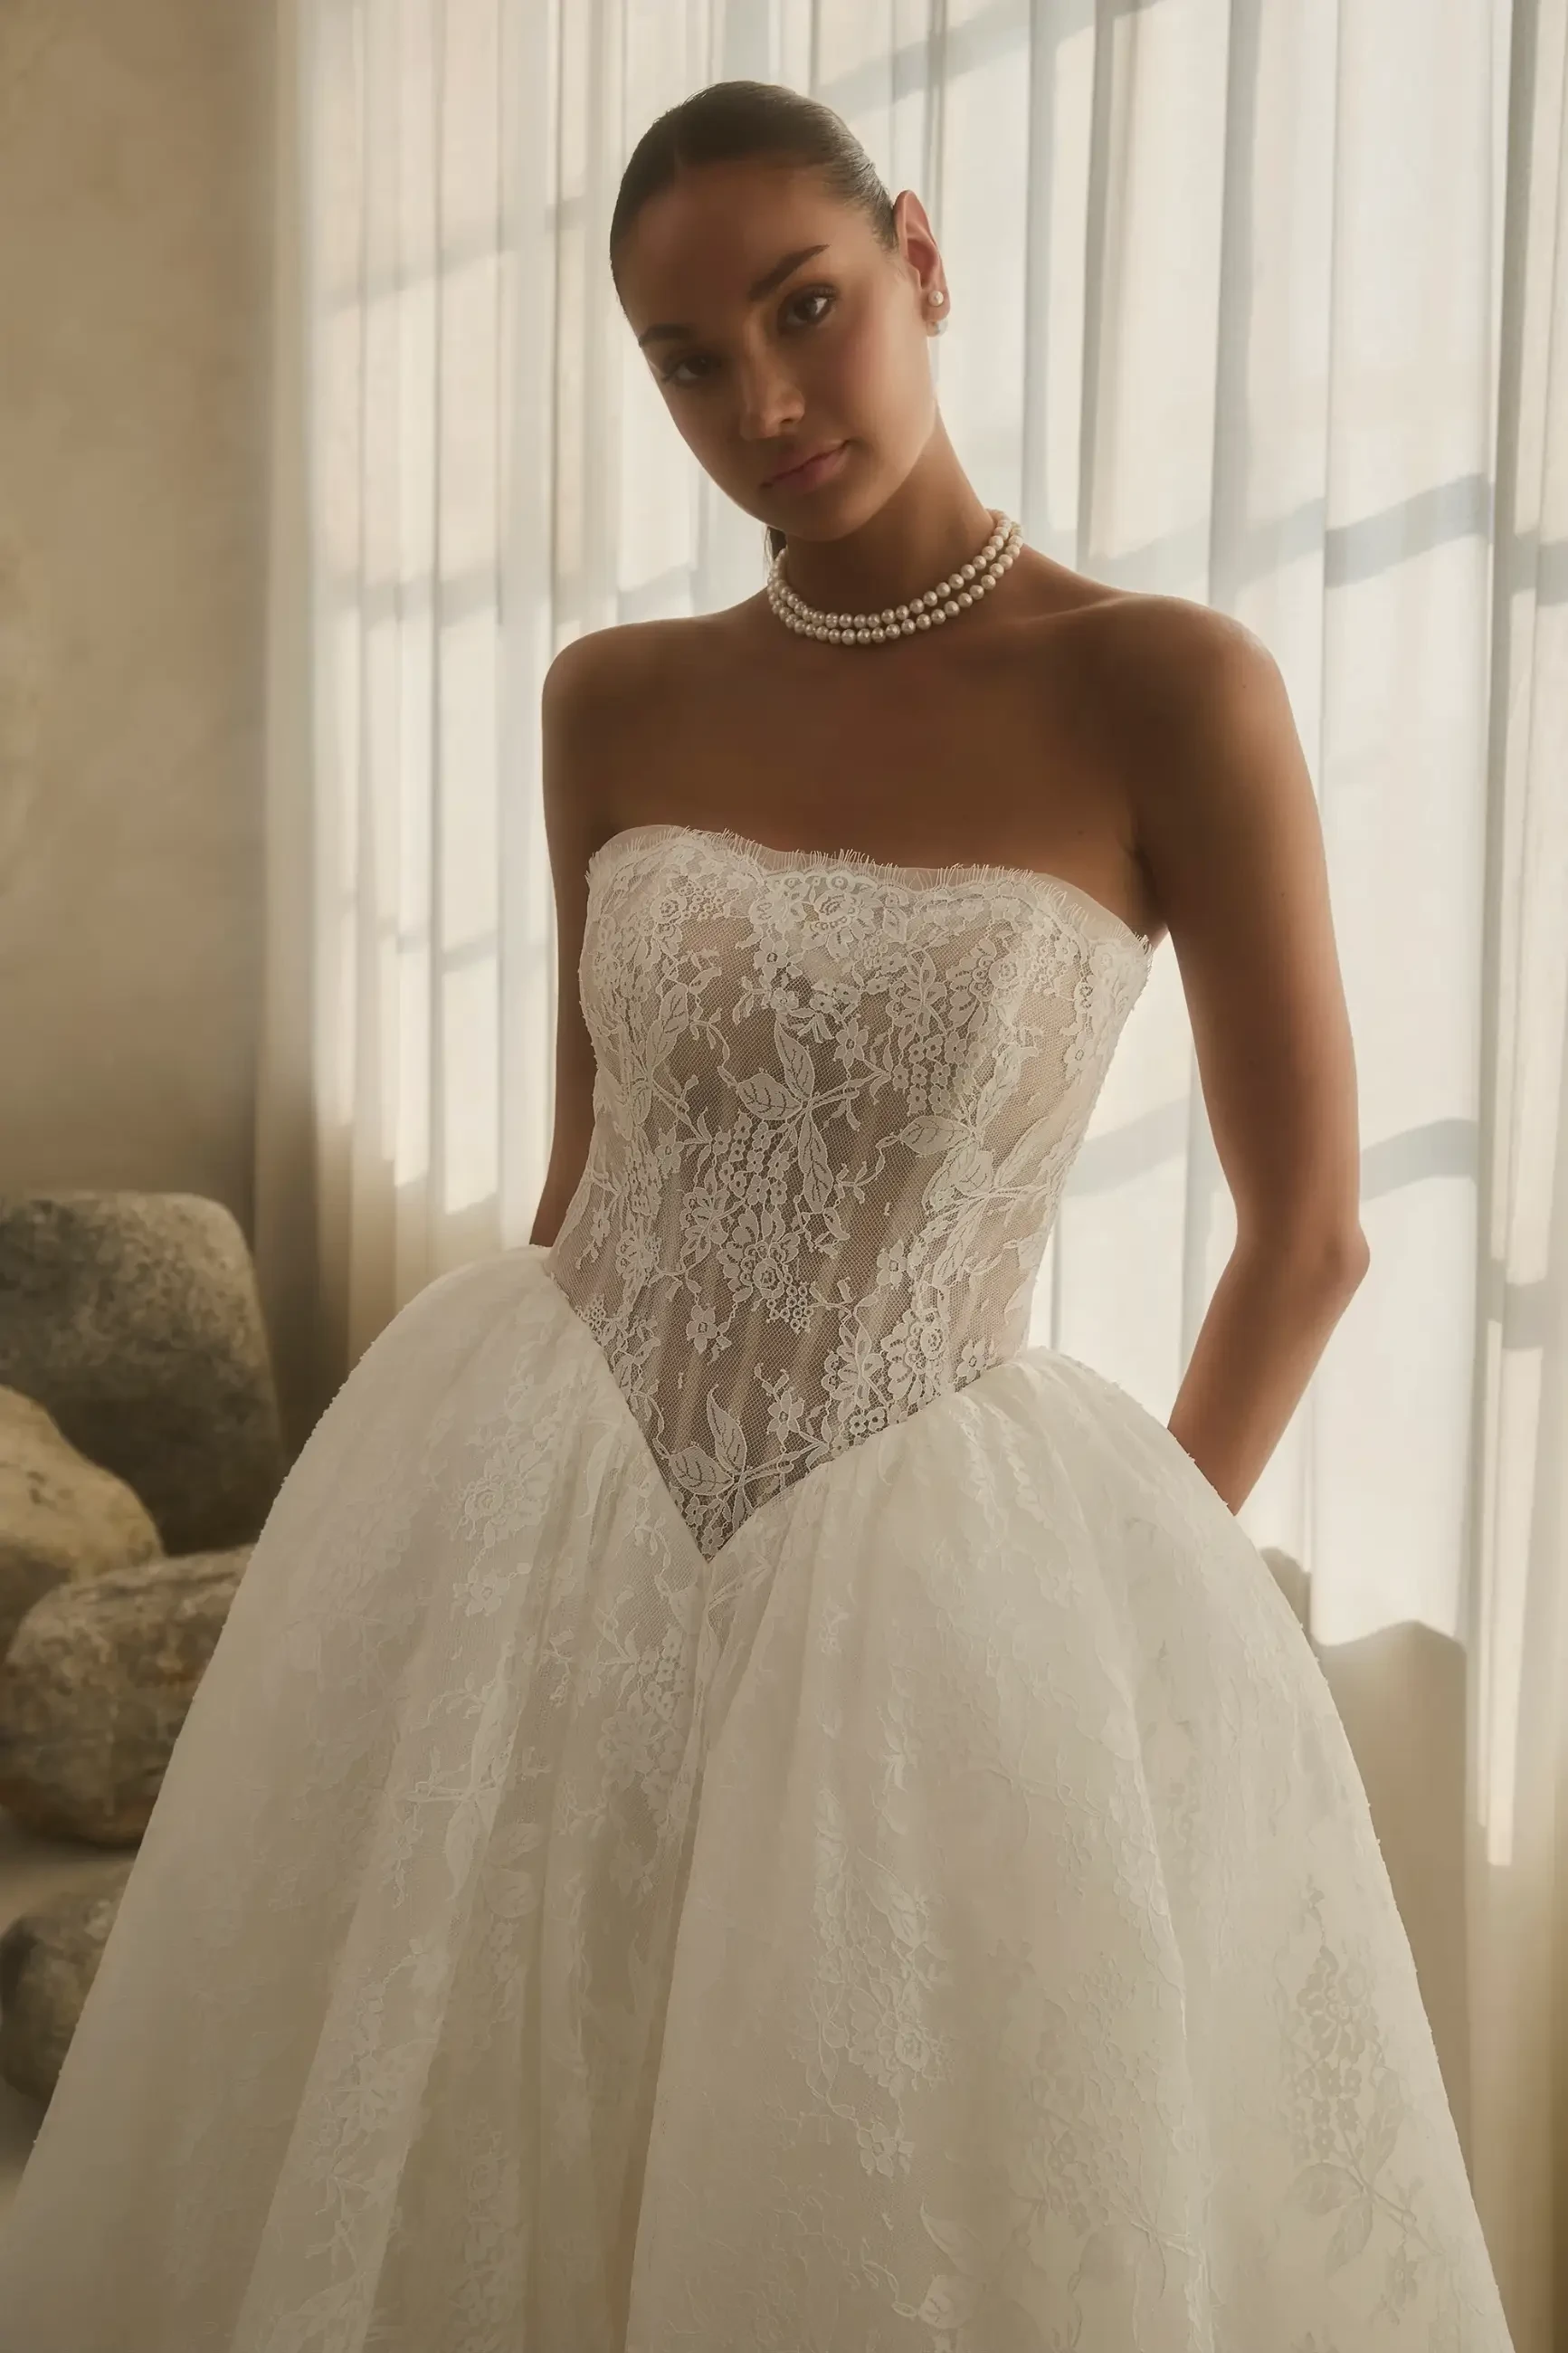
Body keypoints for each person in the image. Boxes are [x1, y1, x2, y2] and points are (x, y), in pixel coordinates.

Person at [0, 77, 1515, 2353]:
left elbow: (1307, 1232)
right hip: (538, 1496)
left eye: (804, 308)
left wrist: (1117, 1616)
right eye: (689, 360)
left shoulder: (1161, 686)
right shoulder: (610, 698)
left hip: (936, 1570)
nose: (763, 400)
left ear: (918, 258)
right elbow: (581, 1164)